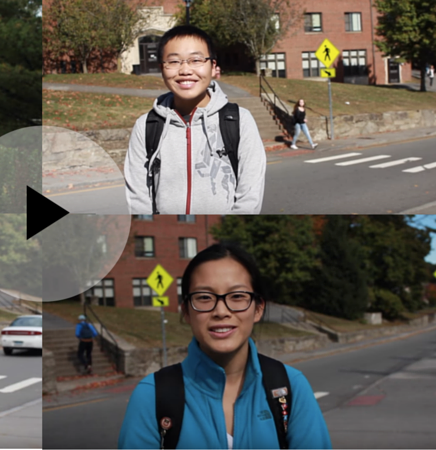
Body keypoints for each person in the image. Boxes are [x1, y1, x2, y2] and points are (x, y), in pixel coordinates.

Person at [118, 243, 331, 449]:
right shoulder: (152, 395)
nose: (221, 311)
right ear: (186, 312)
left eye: (237, 296)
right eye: (204, 297)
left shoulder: (290, 387)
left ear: (258, 309)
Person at [124, 26, 266, 215]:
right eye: (173, 61)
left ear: (214, 66)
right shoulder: (147, 126)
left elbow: (250, 197)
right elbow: (138, 198)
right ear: (161, 69)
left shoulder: (239, 121)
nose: (185, 70)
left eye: (196, 60)